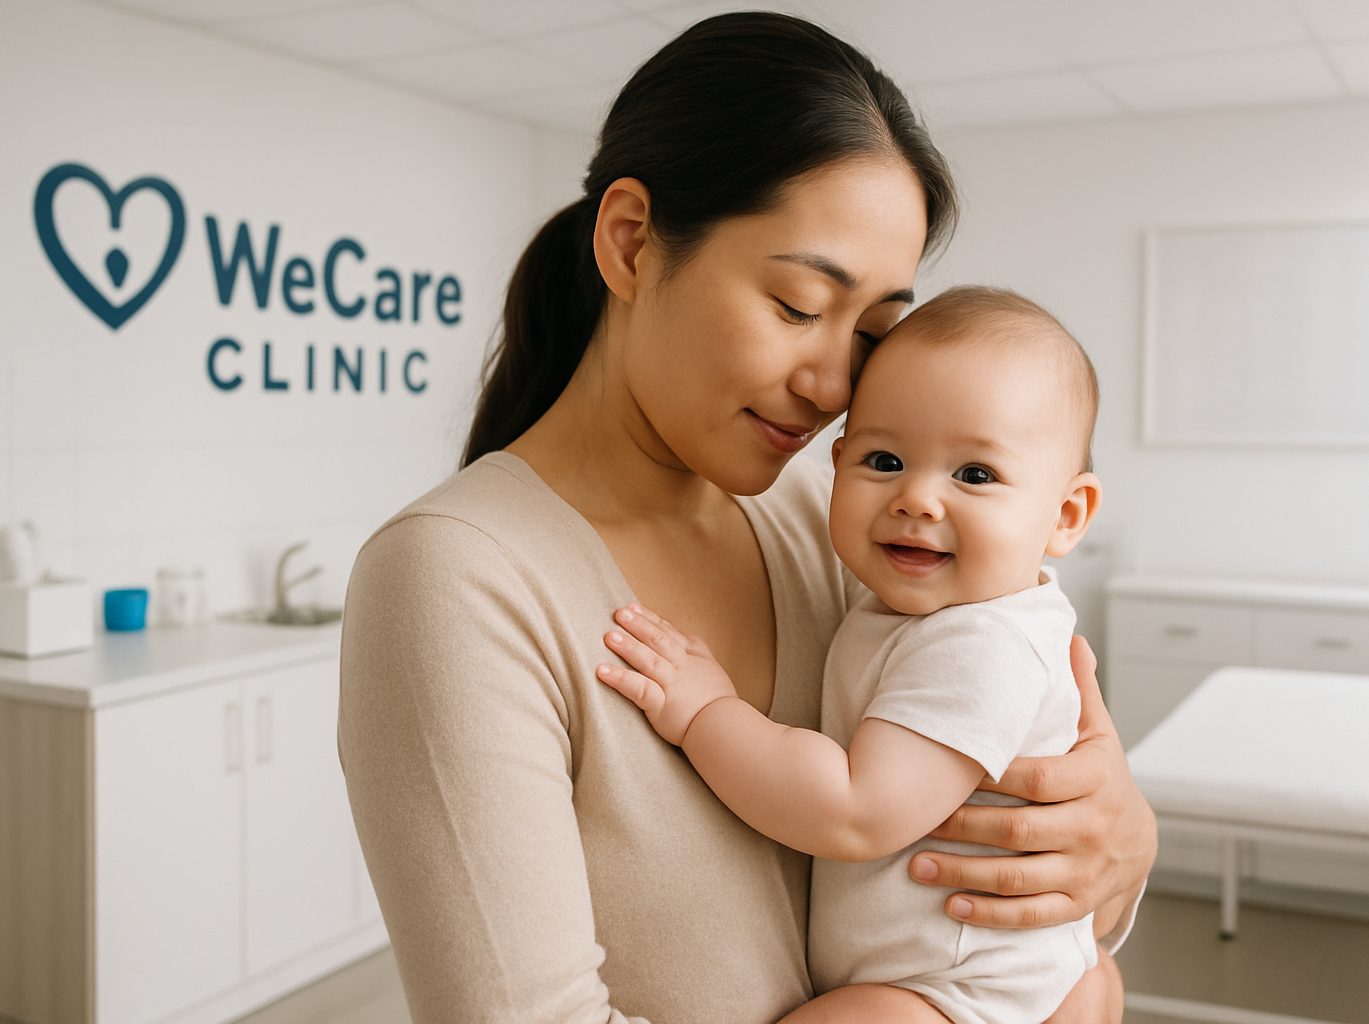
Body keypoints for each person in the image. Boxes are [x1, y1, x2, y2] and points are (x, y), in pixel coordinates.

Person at [337, 13, 1155, 1024]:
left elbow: (1045, 802)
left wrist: (1116, 846)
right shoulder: (458, 577)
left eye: (869, 332)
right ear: (632, 243)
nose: (830, 385)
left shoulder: (842, 523)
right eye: (799, 307)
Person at [597, 286, 1105, 1024]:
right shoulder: (908, 606)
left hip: (957, 996)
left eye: (974, 474)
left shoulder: (983, 642)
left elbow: (855, 811)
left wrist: (706, 711)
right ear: (837, 465)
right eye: (886, 459)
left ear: (1064, 515)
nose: (919, 500)